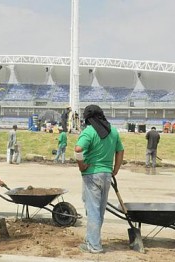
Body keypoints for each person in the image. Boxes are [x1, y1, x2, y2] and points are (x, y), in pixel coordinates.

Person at [74, 104, 124, 254]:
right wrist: (115, 169)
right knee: (99, 210)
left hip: (92, 175)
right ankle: (91, 240)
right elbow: (120, 150)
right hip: (107, 175)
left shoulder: (89, 132)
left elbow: (78, 149)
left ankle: (94, 246)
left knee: (93, 210)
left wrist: (81, 165)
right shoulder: (113, 131)